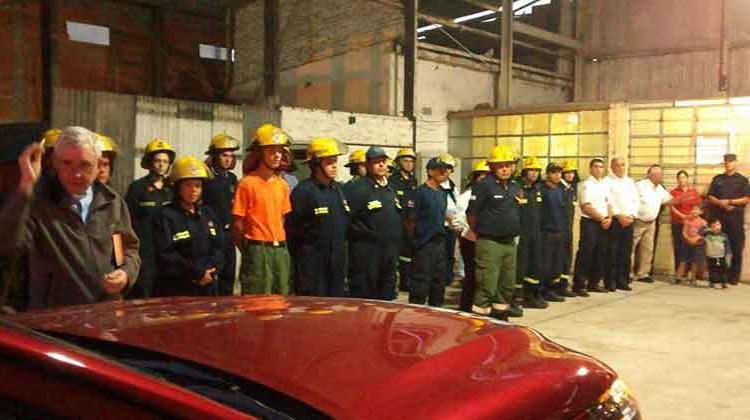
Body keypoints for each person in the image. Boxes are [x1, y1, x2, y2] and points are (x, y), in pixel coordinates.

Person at [0, 126, 140, 309]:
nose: (76, 174)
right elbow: (6, 245)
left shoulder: (112, 203)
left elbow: (121, 247)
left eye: (85, 164)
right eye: (67, 163)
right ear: (55, 163)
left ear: (99, 165)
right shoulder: (37, 204)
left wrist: (124, 273)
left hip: (105, 316)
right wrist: (25, 187)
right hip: (57, 321)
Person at [232, 123, 292, 295]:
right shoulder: (247, 184)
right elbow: (237, 224)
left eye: (280, 151)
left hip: (280, 250)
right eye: (271, 151)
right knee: (256, 300)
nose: (277, 155)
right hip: (257, 250)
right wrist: (250, 250)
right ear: (259, 153)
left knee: (281, 297)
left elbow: (282, 219)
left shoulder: (282, 185)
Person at [153, 156, 224, 297]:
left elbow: (219, 246)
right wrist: (196, 273)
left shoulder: (208, 214)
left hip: (209, 286)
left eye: (198, 185)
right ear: (177, 187)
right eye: (188, 185)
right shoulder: (166, 216)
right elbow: (166, 254)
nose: (193, 190)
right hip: (179, 289)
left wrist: (211, 271)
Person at [467, 145, 522, 320]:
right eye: (500, 165)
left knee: (507, 285)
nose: (505, 169)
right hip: (490, 243)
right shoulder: (484, 186)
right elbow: (471, 215)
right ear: (492, 167)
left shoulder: (514, 186)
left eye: (508, 165)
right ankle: (479, 323)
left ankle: (500, 317)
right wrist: (482, 233)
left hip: (509, 243)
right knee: (487, 285)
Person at [289, 137, 349, 297]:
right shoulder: (303, 191)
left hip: (336, 262)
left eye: (335, 161)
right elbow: (292, 231)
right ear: (316, 164)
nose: (335, 166)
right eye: (329, 162)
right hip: (313, 264)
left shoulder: (338, 190)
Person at [346, 146, 403, 300]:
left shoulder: (391, 189)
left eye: (383, 162)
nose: (381, 165)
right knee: (366, 299)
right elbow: (348, 221)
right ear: (368, 165)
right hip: (367, 255)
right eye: (376, 162)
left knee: (387, 298)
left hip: (389, 253)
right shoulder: (357, 189)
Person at [124, 138, 175, 298]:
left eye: (165, 161)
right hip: (145, 254)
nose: (161, 165)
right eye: (158, 160)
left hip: (167, 254)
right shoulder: (137, 188)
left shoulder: (172, 188)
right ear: (149, 162)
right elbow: (125, 223)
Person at [409, 156, 451, 307]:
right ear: (430, 171)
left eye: (446, 170)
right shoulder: (419, 192)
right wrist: (415, 242)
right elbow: (410, 220)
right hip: (424, 244)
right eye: (440, 170)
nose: (444, 173)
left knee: (438, 283)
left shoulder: (442, 193)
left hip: (439, 243)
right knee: (420, 283)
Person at [202, 133, 240, 296]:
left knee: (228, 277)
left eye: (231, 156)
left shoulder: (232, 178)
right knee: (213, 278)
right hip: (210, 236)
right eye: (224, 155)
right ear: (215, 156)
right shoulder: (206, 178)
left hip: (228, 235)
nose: (228, 159)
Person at [632, 165, 680, 283]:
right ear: (651, 175)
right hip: (638, 221)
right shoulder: (639, 185)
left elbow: (669, 200)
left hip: (651, 222)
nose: (661, 177)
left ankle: (643, 273)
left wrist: (683, 198)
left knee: (648, 249)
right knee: (631, 248)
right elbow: (630, 199)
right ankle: (627, 273)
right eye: (659, 175)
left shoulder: (659, 188)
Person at [708, 153, 749, 285]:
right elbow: (710, 197)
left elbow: (746, 199)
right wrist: (720, 203)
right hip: (720, 220)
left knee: (737, 249)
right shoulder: (718, 179)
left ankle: (734, 277)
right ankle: (721, 275)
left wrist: (730, 201)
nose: (728, 164)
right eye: (726, 161)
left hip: (736, 220)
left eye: (731, 161)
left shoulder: (742, 180)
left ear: (735, 163)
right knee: (719, 249)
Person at [573, 158, 612, 296]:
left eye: (601, 167)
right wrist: (602, 218)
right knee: (586, 253)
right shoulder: (586, 185)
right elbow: (586, 206)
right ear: (590, 168)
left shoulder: (605, 185)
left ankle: (594, 283)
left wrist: (609, 218)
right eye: (596, 166)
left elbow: (608, 204)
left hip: (604, 222)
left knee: (600, 253)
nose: (599, 169)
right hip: (590, 222)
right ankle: (579, 284)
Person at [515, 156, 549, 310]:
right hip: (521, 234)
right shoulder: (517, 188)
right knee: (520, 266)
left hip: (536, 233)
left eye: (537, 170)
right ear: (524, 171)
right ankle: (516, 297)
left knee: (535, 265)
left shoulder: (538, 189)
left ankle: (531, 295)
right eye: (531, 170)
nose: (534, 173)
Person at [456, 160, 490, 312]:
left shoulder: (493, 194)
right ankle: (466, 307)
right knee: (471, 276)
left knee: (486, 277)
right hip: (470, 240)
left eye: (487, 175)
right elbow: (458, 220)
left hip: (488, 242)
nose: (483, 179)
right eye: (480, 175)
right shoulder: (467, 195)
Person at [605, 158, 638, 291]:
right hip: (615, 221)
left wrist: (632, 216)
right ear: (612, 167)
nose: (620, 167)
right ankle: (610, 281)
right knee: (612, 252)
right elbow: (608, 201)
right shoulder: (607, 182)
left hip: (629, 221)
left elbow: (636, 200)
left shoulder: (630, 182)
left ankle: (622, 280)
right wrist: (619, 215)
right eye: (617, 165)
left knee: (626, 252)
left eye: (623, 165)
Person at [390, 149, 418, 292]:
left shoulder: (413, 180)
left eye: (411, 161)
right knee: (396, 252)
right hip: (398, 220)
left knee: (408, 253)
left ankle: (406, 282)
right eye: (405, 161)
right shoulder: (393, 180)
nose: (409, 164)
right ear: (398, 162)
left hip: (411, 221)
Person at [539, 162, 568, 303]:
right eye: (554, 172)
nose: (557, 175)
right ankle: (543, 290)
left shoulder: (560, 190)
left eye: (559, 173)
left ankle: (552, 288)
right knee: (546, 263)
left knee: (556, 263)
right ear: (548, 174)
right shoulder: (542, 190)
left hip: (559, 230)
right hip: (546, 231)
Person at [670, 171, 701, 277]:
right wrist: (682, 216)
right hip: (678, 223)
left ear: (687, 179)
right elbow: (672, 207)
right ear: (677, 180)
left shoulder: (693, 192)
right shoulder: (673, 192)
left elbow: (697, 206)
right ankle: (678, 273)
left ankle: (689, 273)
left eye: (683, 177)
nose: (681, 179)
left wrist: (692, 217)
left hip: (691, 225)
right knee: (678, 247)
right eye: (679, 178)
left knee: (690, 248)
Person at [439, 154, 462, 288]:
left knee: (449, 254)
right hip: (440, 225)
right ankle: (440, 279)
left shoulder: (453, 187)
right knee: (439, 255)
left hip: (451, 227)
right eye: (443, 168)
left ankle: (447, 278)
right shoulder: (433, 186)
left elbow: (457, 204)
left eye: (448, 168)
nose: (445, 171)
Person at [557, 160, 579, 298]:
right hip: (560, 229)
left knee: (567, 256)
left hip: (569, 228)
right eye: (567, 173)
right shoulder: (559, 188)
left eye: (572, 173)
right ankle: (557, 286)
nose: (570, 175)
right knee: (559, 258)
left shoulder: (571, 189)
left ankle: (564, 284)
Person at [678, 204, 707, 285]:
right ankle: (678, 277)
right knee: (683, 260)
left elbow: (704, 234)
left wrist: (696, 239)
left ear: (701, 212)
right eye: (693, 209)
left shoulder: (703, 222)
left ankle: (693, 278)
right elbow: (684, 231)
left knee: (695, 262)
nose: (695, 211)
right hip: (687, 243)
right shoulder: (688, 220)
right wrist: (688, 239)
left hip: (698, 244)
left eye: (697, 209)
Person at [704, 219, 732, 289]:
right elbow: (699, 232)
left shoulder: (723, 235)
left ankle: (724, 283)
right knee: (712, 270)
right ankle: (712, 282)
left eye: (718, 225)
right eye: (714, 226)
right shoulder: (707, 235)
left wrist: (728, 254)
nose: (716, 227)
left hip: (721, 256)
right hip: (710, 256)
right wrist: (707, 229)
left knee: (723, 270)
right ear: (710, 227)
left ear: (721, 226)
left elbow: (727, 245)